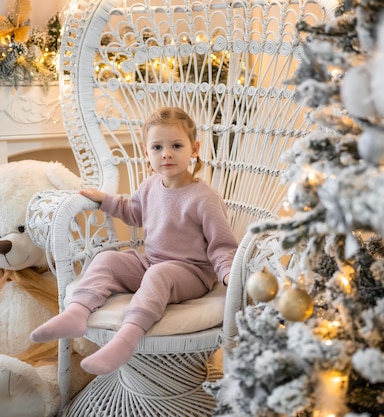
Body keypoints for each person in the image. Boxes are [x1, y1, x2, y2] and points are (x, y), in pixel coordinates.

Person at [30, 107, 238, 375]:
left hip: (191, 273)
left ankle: (127, 338)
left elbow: (222, 245)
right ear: (146, 153)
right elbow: (132, 211)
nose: (167, 154)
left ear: (194, 148)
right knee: (107, 259)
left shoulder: (204, 199)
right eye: (157, 147)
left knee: (160, 274)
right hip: (150, 263)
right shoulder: (150, 186)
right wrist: (103, 199)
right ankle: (77, 313)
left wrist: (229, 272)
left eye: (176, 145)